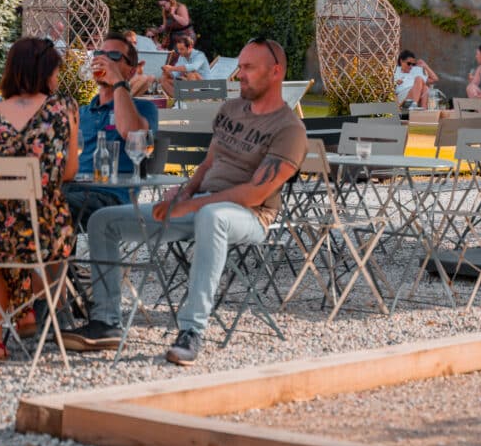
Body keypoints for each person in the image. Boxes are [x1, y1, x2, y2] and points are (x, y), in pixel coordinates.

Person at [61, 38, 307, 365]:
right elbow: (208, 164)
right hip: (202, 204)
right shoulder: (231, 110)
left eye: (248, 68)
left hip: (249, 216)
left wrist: (193, 205)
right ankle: (106, 321)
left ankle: (192, 330)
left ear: (275, 72)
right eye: (240, 66)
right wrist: (185, 193)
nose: (239, 75)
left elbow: (255, 194)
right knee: (102, 221)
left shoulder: (290, 129)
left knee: (213, 217)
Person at [0, 37, 79, 361]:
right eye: (55, 71)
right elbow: (68, 172)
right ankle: (33, 310)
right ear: (44, 71)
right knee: (34, 235)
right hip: (44, 225)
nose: (57, 79)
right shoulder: (64, 109)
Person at [62, 32, 159, 229]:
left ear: (131, 72)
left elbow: (132, 134)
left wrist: (118, 83)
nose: (104, 60)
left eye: (114, 57)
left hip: (110, 196)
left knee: (54, 208)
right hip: (70, 189)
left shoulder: (144, 109)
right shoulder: (80, 113)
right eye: (100, 53)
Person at [121, 30, 158, 97]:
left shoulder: (134, 54)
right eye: (130, 42)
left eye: (134, 43)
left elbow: (139, 73)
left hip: (129, 81)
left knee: (151, 78)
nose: (133, 45)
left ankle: (134, 99)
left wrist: (140, 67)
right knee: (143, 77)